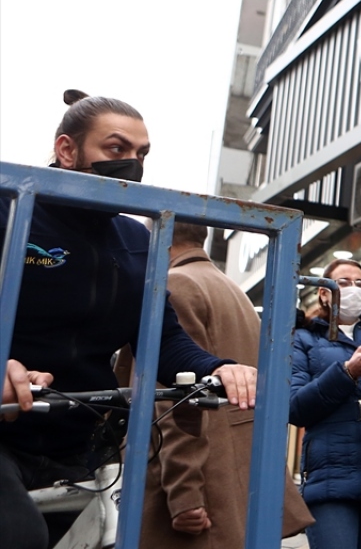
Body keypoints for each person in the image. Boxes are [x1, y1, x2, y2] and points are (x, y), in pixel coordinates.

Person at [0, 90, 258, 549]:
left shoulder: (137, 240)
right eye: (116, 148)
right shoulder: (10, 210)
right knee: (22, 535)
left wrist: (219, 368)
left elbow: (162, 339)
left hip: (77, 442)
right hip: (5, 431)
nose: (132, 165)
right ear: (66, 150)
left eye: (142, 154)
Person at [118, 221, 313, 547]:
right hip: (237, 479)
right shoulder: (231, 289)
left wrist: (185, 494)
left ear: (161, 239)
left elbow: (176, 399)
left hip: (203, 482)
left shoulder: (177, 285)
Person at [290, 259, 361, 549]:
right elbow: (295, 408)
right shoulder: (304, 338)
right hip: (331, 482)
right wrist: (347, 373)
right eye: (343, 282)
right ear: (324, 293)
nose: (353, 289)